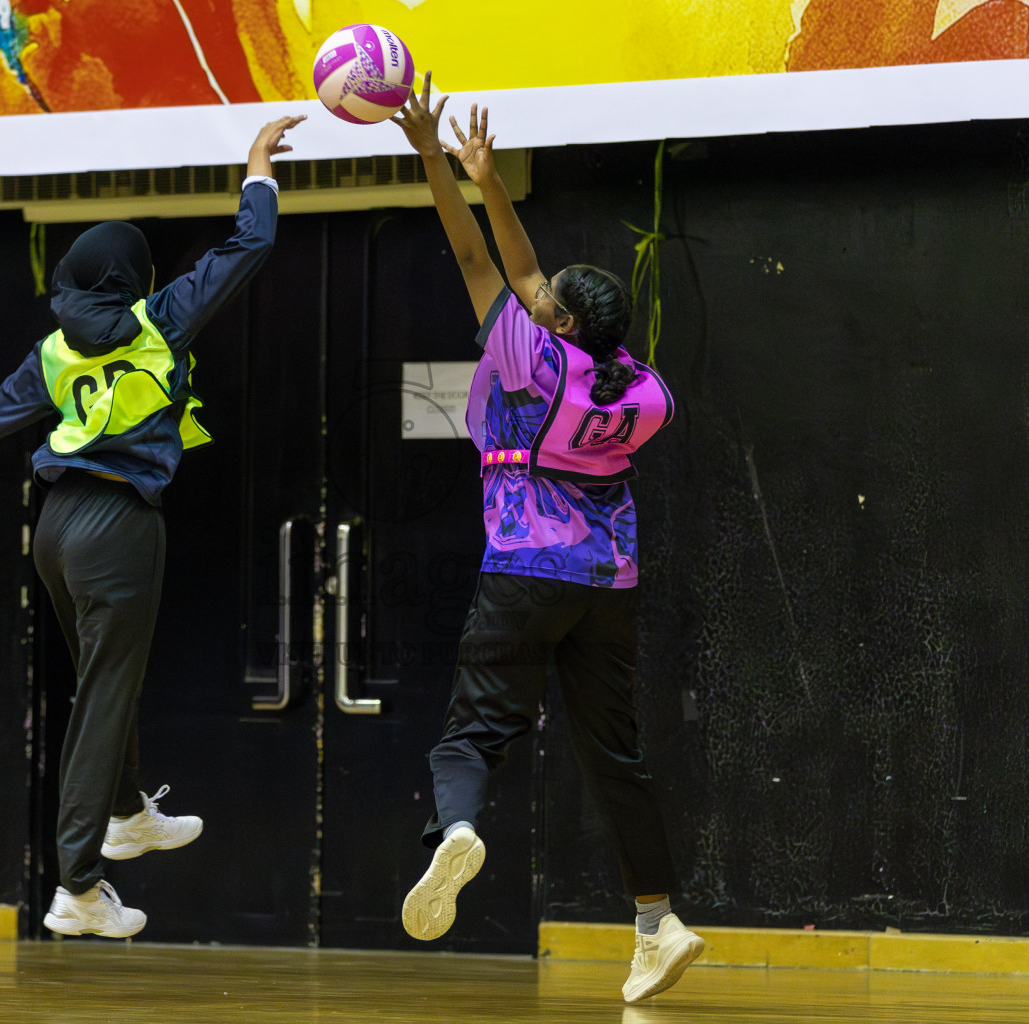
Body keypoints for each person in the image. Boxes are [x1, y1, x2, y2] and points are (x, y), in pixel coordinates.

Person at [0, 113, 306, 939]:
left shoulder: (54, 351)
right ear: (130, 277)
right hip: (119, 525)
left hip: (55, 529)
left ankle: (129, 817)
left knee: (106, 681)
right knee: (103, 694)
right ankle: (79, 887)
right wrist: (257, 169)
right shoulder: (160, 316)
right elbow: (247, 250)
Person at [390, 79, 702, 1003]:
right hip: (608, 582)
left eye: (548, 297)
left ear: (556, 323)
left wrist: (438, 162)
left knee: (471, 735)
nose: (536, 288)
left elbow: (474, 258)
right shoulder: (641, 389)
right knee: (617, 756)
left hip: (526, 568)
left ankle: (456, 830)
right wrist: (493, 179)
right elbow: (530, 279)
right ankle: (657, 922)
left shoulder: (527, 358)